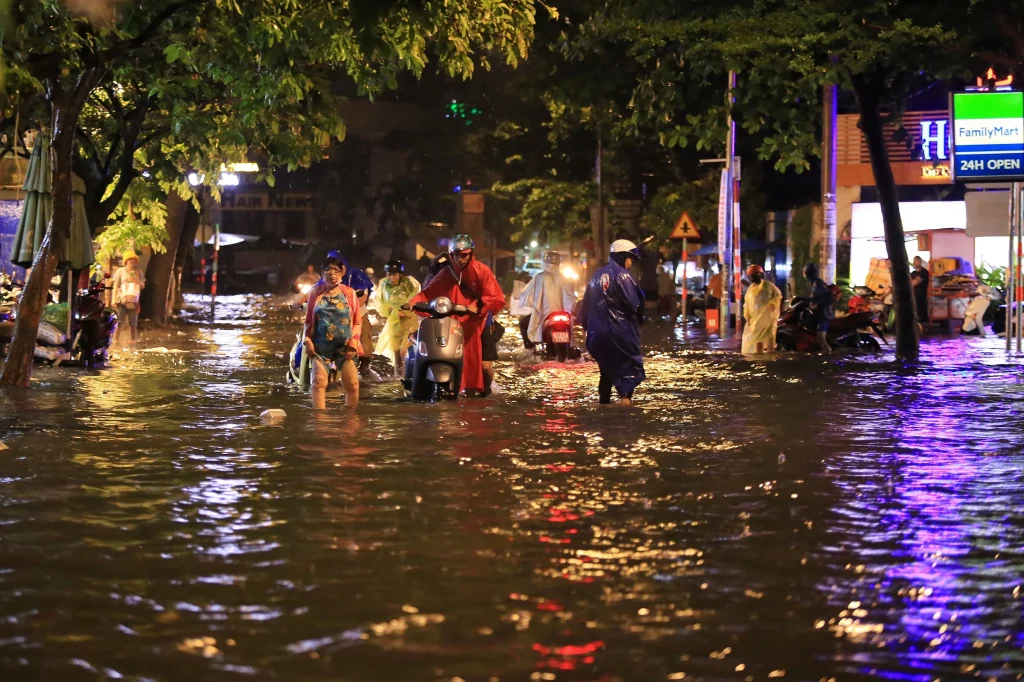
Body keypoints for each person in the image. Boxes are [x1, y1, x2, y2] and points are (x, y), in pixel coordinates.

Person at [410, 234, 505, 396]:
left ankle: (485, 391)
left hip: (479, 323)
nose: (460, 259)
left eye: (464, 255)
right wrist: (412, 303)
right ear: (451, 255)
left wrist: (475, 306)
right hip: (455, 323)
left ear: (471, 254)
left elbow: (493, 296)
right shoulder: (447, 273)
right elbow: (429, 292)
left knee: (484, 368)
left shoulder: (482, 271)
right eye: (457, 255)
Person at [578, 240, 646, 405]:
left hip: (597, 337)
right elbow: (635, 303)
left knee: (605, 371)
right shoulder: (624, 275)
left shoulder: (595, 277)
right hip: (621, 334)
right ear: (623, 256)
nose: (631, 262)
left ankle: (604, 404)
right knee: (630, 369)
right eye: (630, 258)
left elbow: (583, 311)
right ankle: (625, 403)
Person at [303, 255, 361, 409]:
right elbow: (309, 321)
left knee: (353, 385)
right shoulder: (315, 292)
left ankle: (351, 421)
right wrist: (308, 341)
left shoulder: (349, 293)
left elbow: (357, 322)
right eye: (328, 269)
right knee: (318, 383)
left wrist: (353, 344)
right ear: (322, 273)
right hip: (321, 346)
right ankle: (320, 424)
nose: (332, 273)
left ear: (342, 273)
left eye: (336, 270)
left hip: (345, 345)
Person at [370, 260, 421, 378]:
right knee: (396, 351)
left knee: (406, 349)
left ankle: (411, 375)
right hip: (394, 321)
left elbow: (416, 297)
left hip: (409, 320)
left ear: (400, 274)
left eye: (394, 275)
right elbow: (381, 304)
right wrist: (391, 311)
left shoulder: (409, 283)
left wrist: (406, 310)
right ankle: (399, 377)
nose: (391, 278)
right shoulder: (383, 285)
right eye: (389, 275)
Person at [517, 251, 577, 350]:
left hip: (545, 314)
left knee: (523, 322)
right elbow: (570, 298)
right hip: (563, 315)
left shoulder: (540, 277)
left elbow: (534, 295)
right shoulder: (564, 278)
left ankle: (529, 348)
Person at [741, 264, 782, 355]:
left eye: (755, 275)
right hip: (756, 321)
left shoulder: (768, 286)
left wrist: (772, 304)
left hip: (769, 319)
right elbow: (746, 305)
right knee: (758, 341)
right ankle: (759, 361)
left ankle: (770, 360)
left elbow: (778, 295)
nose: (752, 278)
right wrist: (747, 317)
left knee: (770, 340)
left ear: (760, 274)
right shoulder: (750, 290)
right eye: (751, 276)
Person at [111, 249, 145, 345]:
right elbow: (116, 286)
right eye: (130, 259)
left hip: (133, 300)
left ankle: (133, 340)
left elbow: (142, 286)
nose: (132, 262)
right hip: (121, 299)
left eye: (134, 260)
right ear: (126, 261)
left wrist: (136, 280)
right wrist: (113, 300)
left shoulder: (138, 272)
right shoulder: (120, 271)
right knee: (119, 320)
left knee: (133, 321)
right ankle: (116, 340)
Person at [803, 263, 834, 353]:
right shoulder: (815, 283)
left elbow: (823, 297)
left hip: (824, 314)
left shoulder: (817, 283)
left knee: (820, 338)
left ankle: (829, 355)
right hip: (821, 313)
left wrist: (813, 300)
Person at [911, 256, 930, 328]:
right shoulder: (913, 273)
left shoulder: (924, 272)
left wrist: (911, 282)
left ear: (919, 262)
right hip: (913, 296)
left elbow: (915, 282)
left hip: (921, 296)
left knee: (921, 313)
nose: (914, 263)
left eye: (916, 261)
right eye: (913, 261)